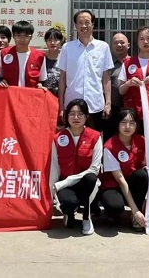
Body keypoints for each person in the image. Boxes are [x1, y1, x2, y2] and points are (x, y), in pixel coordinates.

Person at [50, 99, 102, 236]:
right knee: (68, 203)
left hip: (86, 184)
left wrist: (67, 181)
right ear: (67, 116)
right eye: (72, 114)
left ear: (86, 117)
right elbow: (54, 168)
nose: (76, 117)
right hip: (65, 185)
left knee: (91, 178)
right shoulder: (58, 138)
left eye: (80, 114)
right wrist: (53, 193)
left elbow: (95, 169)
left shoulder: (95, 137)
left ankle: (86, 218)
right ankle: (69, 214)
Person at [56, 10, 114, 132]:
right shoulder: (67, 48)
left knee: (94, 139)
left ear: (93, 24)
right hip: (72, 106)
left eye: (87, 22)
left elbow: (106, 77)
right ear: (75, 25)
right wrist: (61, 106)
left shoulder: (103, 47)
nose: (84, 26)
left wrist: (108, 103)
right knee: (72, 139)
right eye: (80, 22)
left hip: (95, 105)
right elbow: (62, 78)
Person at [99, 108, 147, 231]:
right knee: (114, 207)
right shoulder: (110, 146)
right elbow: (120, 180)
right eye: (123, 122)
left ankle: (137, 212)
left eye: (132, 123)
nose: (127, 126)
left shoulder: (142, 141)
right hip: (114, 185)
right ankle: (132, 212)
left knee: (142, 175)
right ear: (117, 124)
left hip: (133, 182)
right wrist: (134, 210)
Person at [0, 21, 47, 88]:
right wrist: (2, 81)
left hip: (29, 93)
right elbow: (0, 76)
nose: (22, 39)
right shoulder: (3, 53)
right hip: (10, 93)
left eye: (26, 36)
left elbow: (41, 79)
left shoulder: (40, 56)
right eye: (18, 35)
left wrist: (40, 84)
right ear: (13, 36)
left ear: (31, 37)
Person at [105, 32, 130, 141]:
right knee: (110, 140)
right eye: (116, 43)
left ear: (128, 45)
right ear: (111, 46)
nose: (119, 45)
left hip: (130, 109)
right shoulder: (107, 64)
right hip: (112, 108)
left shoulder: (134, 63)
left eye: (122, 42)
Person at [43, 27, 64, 98]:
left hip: (61, 98)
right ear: (46, 41)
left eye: (56, 40)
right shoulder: (41, 59)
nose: (52, 43)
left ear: (61, 41)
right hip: (45, 97)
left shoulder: (65, 59)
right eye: (49, 40)